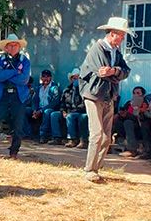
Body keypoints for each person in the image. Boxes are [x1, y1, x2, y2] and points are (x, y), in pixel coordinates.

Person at [79, 17, 131, 182]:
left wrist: (114, 71)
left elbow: (125, 71)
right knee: (97, 134)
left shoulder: (115, 51)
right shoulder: (98, 48)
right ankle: (89, 170)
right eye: (121, 35)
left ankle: (97, 168)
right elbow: (102, 72)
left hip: (108, 95)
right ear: (113, 34)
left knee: (107, 137)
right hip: (94, 95)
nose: (123, 38)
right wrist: (116, 73)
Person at [49, 68, 89, 148]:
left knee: (78, 117)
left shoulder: (85, 90)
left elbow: (85, 104)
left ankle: (76, 140)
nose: (75, 80)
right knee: (54, 115)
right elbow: (62, 103)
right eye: (74, 78)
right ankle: (57, 138)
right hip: (68, 111)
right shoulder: (67, 90)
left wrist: (72, 111)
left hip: (80, 112)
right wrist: (63, 111)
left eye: (78, 78)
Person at [26, 70, 61, 144]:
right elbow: (34, 101)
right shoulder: (38, 88)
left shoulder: (54, 88)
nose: (45, 79)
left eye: (47, 77)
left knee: (47, 112)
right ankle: (27, 134)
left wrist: (41, 111)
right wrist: (35, 110)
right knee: (26, 110)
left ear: (51, 78)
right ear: (41, 78)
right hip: (39, 109)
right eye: (43, 77)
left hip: (49, 109)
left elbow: (54, 102)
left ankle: (43, 136)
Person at [113, 86, 146, 158]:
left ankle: (132, 150)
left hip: (137, 127)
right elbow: (122, 113)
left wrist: (137, 110)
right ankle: (105, 144)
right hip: (126, 128)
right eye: (134, 93)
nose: (135, 95)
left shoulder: (144, 103)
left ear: (142, 95)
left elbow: (143, 117)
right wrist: (121, 114)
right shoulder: (128, 103)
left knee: (128, 121)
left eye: (138, 93)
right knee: (115, 120)